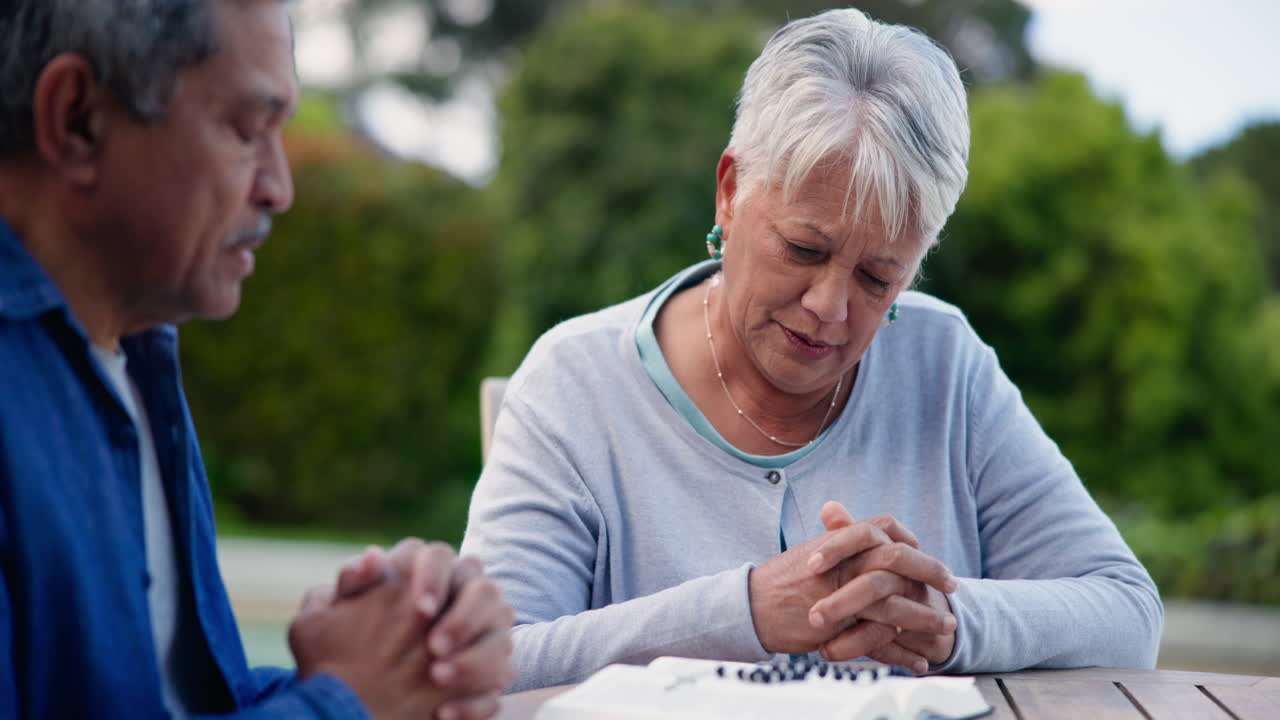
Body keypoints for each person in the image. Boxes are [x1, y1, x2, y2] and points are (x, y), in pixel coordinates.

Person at [461, 7, 1164, 693]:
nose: (830, 305)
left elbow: (1129, 612)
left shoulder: (945, 365)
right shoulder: (574, 384)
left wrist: (949, 619)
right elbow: (487, 663)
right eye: (804, 248)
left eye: (877, 276)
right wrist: (745, 612)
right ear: (731, 192)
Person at [0, 0, 512, 717]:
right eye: (246, 130)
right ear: (78, 119)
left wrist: (402, 650)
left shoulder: (135, 354)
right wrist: (348, 699)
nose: (280, 187)